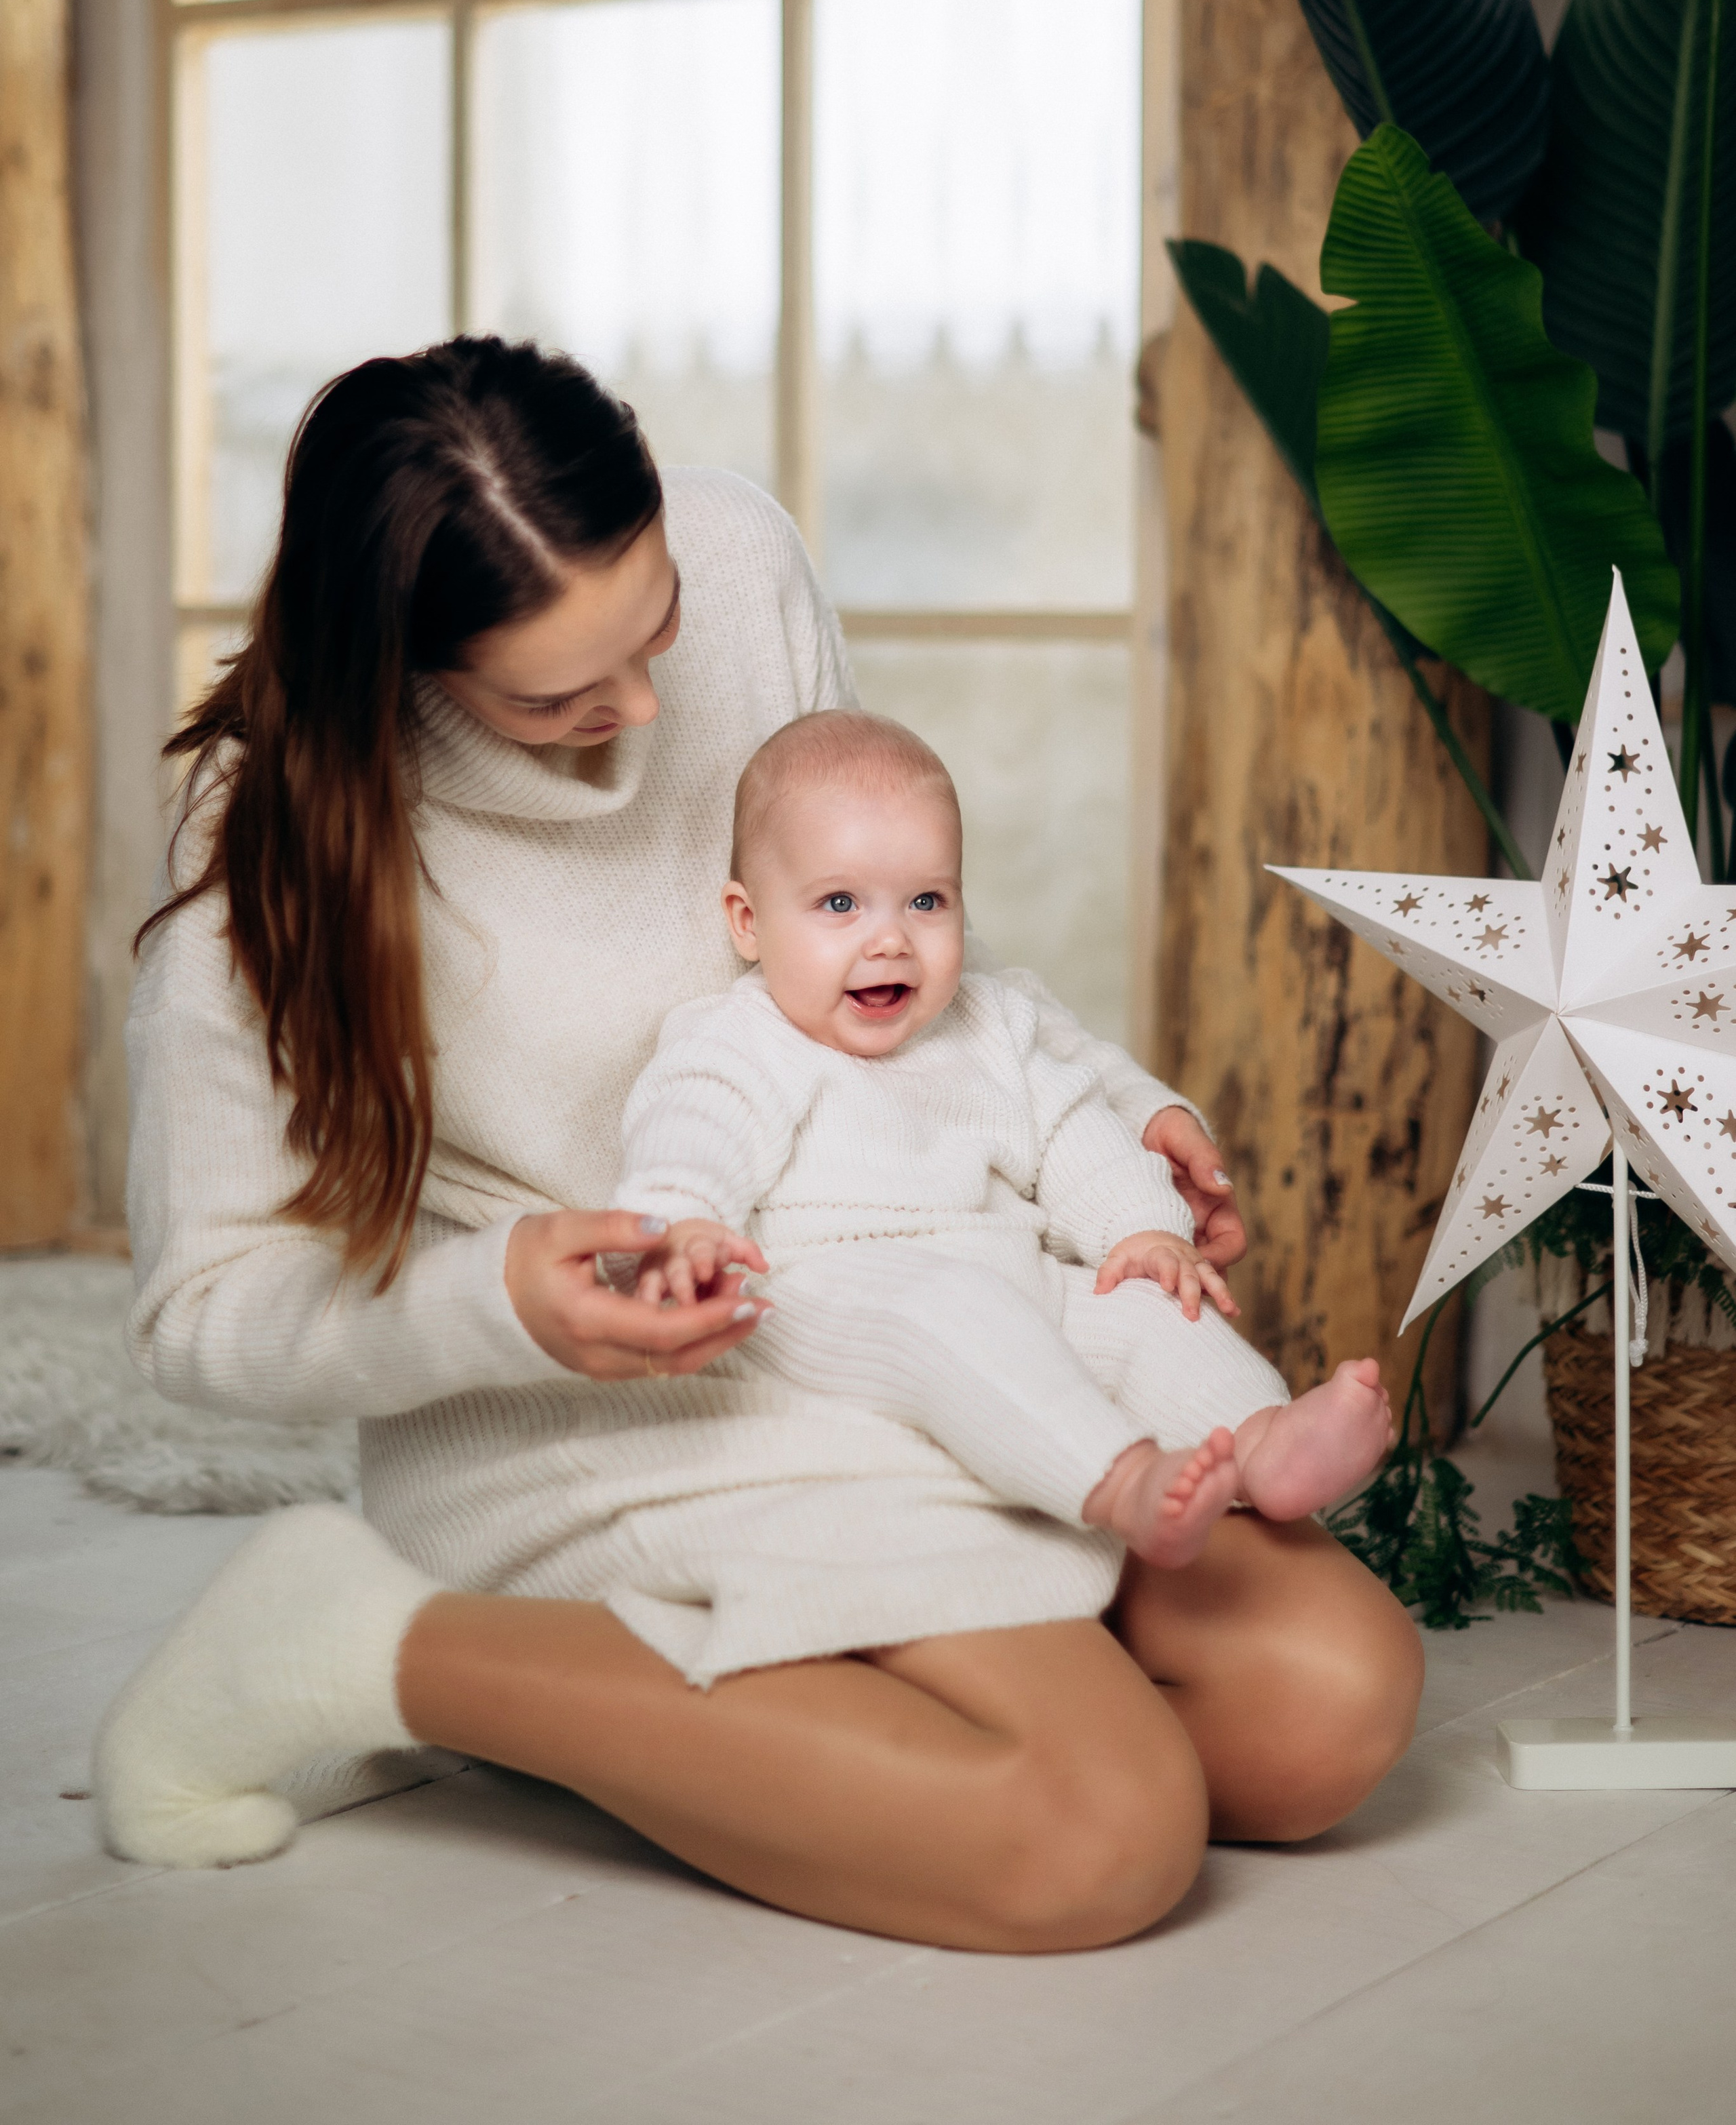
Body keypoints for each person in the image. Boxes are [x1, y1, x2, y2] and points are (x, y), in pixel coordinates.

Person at [95, 336, 1422, 1951]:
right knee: (1100, 1833)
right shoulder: (270, 857)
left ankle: (752, 1708)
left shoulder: (733, 551)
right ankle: (368, 1645)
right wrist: (502, 1297)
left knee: (1328, 1708)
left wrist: (1112, 1144)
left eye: (653, 626)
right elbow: (198, 1319)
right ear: (402, 664)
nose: (647, 708)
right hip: (598, 1408)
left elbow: (864, 920)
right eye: (560, 696)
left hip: (914, 1293)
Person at [604, 709, 1396, 1595]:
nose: (890, 937)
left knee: (1145, 1312)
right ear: (748, 922)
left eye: (927, 900)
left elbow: (1075, 1130)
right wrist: (679, 1229)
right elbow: (690, 1131)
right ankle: (1123, 1478)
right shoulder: (741, 1037)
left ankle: (1263, 1443)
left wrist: (1143, 1231)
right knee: (950, 1317)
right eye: (839, 903)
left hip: (1014, 1272)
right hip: (836, 1298)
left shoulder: (990, 1024)